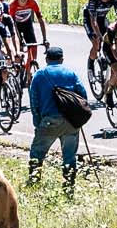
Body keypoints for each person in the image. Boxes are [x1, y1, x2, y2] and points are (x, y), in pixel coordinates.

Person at [27, 47, 90, 195]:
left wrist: (37, 122)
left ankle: (34, 183)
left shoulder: (40, 75)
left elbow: (34, 100)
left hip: (49, 121)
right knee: (69, 156)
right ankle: (69, 188)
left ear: (47, 59)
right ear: (62, 59)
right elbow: (82, 95)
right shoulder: (71, 73)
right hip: (70, 122)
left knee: (37, 153)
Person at [7, 0, 47, 78]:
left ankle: (29, 67)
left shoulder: (32, 2)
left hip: (27, 23)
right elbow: (11, 24)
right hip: (16, 25)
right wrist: (17, 40)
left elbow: (41, 20)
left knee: (33, 45)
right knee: (18, 46)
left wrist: (45, 38)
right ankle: (17, 66)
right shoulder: (13, 4)